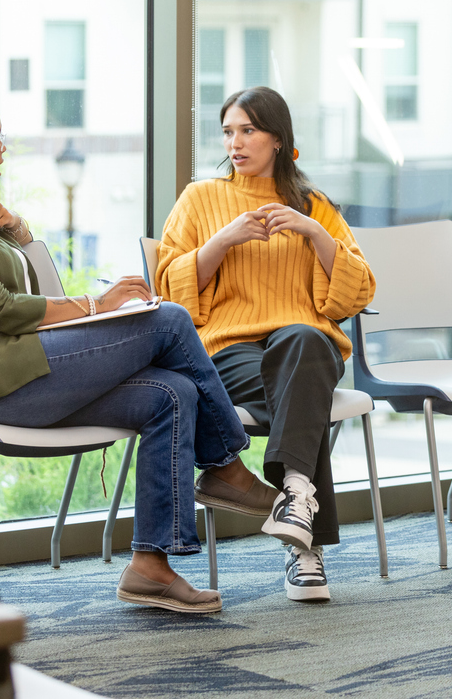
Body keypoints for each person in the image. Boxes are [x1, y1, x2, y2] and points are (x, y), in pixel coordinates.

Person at [0, 86, 273, 614]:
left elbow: (31, 295)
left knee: (172, 394)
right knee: (171, 319)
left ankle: (150, 567)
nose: (3, 148)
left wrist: (17, 233)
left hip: (26, 372)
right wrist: (98, 305)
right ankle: (226, 465)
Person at [156, 86, 376, 602]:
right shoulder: (200, 198)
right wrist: (222, 240)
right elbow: (167, 288)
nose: (236, 142)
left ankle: (293, 502)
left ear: (278, 139)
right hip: (229, 348)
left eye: (248, 130)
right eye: (229, 131)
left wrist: (314, 234)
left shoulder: (313, 205)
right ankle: (303, 532)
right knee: (303, 393)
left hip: (304, 346)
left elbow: (359, 290)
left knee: (302, 344)